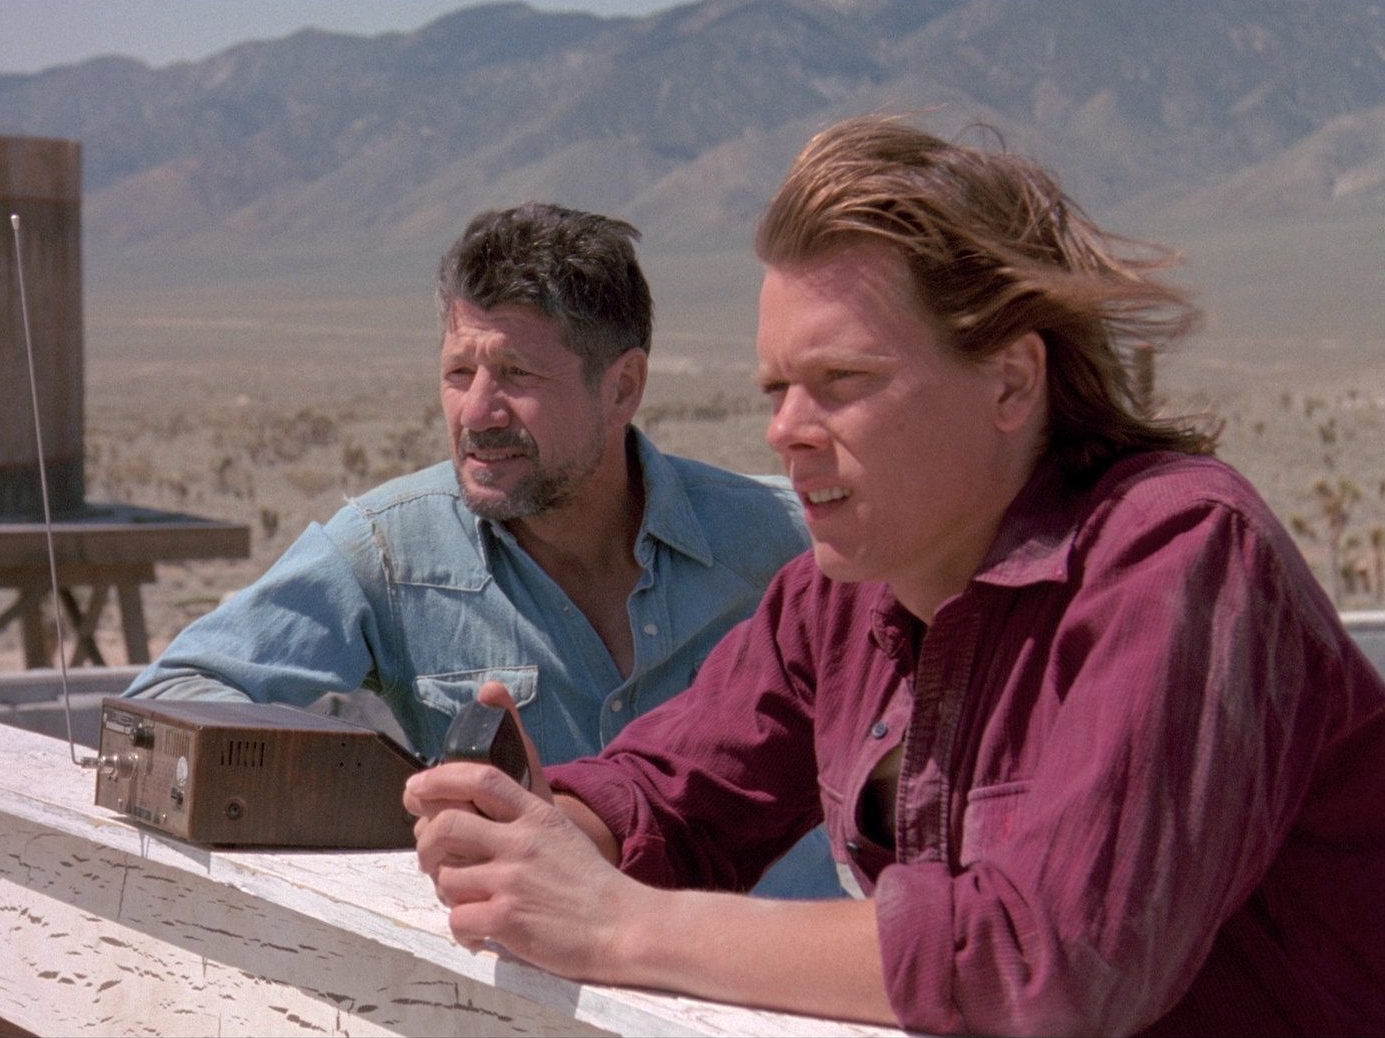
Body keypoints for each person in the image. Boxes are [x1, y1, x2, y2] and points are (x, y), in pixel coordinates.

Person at [405, 117, 1385, 1036]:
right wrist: (542, 835)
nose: (786, 430)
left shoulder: (1175, 560)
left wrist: (620, 925)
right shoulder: (843, 594)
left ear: (1011, 382)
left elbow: (1047, 960)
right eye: (778, 389)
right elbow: (672, 795)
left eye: (843, 382)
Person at [127, 202, 836, 896]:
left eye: (518, 374)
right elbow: (170, 699)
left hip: (778, 965)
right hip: (522, 967)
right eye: (459, 373)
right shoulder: (391, 552)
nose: (477, 411)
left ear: (622, 388)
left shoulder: (792, 539)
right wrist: (390, 803)